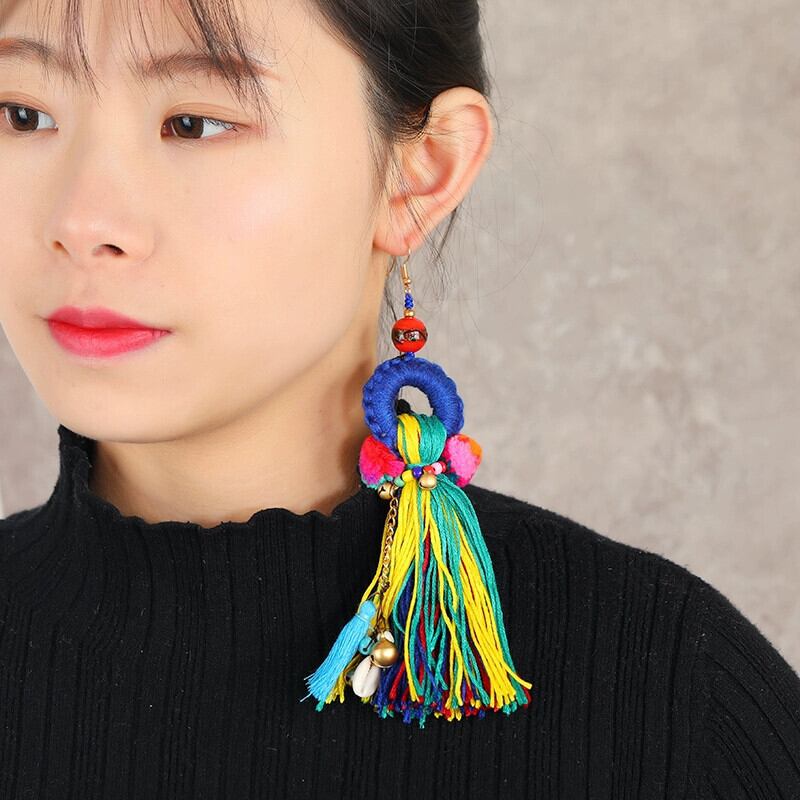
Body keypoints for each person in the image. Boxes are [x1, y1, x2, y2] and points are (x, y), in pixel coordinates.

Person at [0, 0, 798, 797]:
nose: (82, 222)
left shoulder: (671, 697)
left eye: (194, 125)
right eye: (23, 114)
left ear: (421, 172)